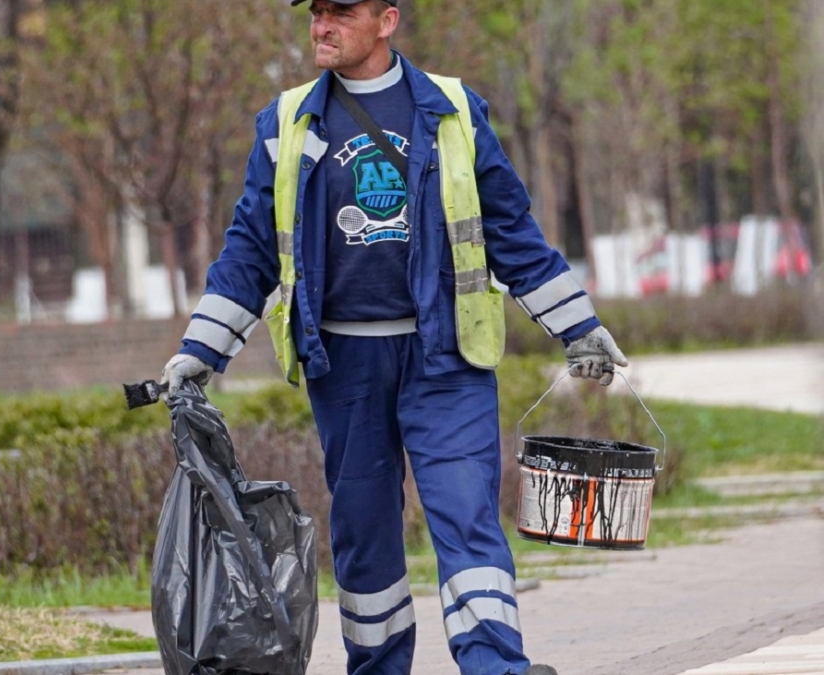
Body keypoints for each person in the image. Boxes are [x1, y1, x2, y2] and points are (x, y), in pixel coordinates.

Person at [159, 1, 628, 674]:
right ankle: (377, 668)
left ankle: (496, 666)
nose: (321, 25)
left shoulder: (456, 112)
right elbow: (250, 251)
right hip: (344, 364)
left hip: (446, 356)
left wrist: (579, 327)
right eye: (316, 12)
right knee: (364, 536)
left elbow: (511, 234)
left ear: (387, 20)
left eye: (340, 12)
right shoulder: (286, 124)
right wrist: (201, 350)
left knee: (467, 516)